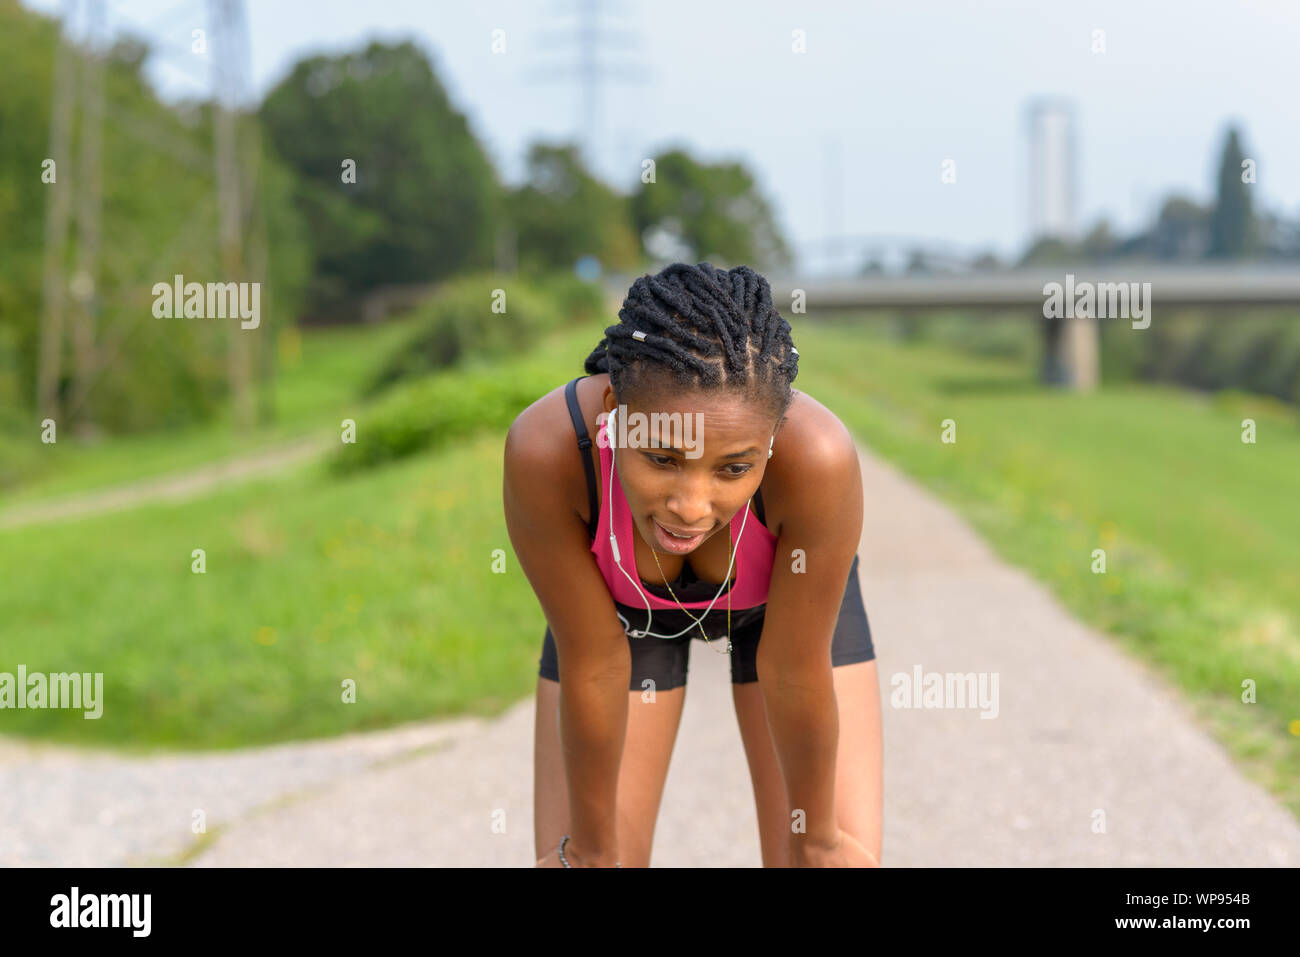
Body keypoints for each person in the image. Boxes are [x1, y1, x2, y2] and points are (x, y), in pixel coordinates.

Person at [503, 262, 882, 867]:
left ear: (774, 438)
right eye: (661, 457)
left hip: (784, 627)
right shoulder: (546, 453)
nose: (689, 508)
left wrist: (816, 841)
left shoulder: (819, 461)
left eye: (733, 468)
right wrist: (593, 851)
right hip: (620, 624)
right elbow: (596, 664)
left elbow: (792, 669)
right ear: (613, 410)